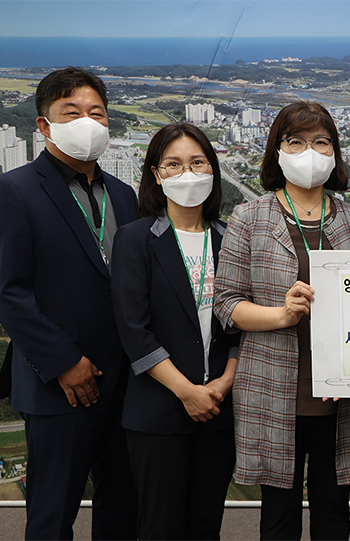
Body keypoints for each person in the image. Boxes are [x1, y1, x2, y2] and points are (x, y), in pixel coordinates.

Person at [214, 101, 350, 540]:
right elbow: (227, 304)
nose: (309, 151)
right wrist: (281, 314)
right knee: (278, 519)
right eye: (296, 141)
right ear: (277, 151)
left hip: (339, 399)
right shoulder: (249, 219)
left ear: (335, 154)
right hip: (272, 391)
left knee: (333, 517)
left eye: (321, 142)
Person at [0, 67, 138, 540]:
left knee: (122, 509)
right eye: (71, 112)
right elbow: (5, 288)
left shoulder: (123, 194)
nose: (86, 121)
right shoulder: (12, 191)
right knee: (53, 516)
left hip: (127, 381)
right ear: (43, 124)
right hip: (60, 384)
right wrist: (63, 361)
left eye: (96, 112)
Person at [110, 123, 239, 539]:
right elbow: (134, 329)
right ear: (155, 174)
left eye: (198, 162)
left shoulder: (229, 238)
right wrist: (188, 391)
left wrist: (224, 381)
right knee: (160, 526)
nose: (188, 173)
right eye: (174, 164)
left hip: (219, 408)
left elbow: (240, 322)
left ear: (213, 170)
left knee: (206, 524)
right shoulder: (135, 239)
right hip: (158, 411)